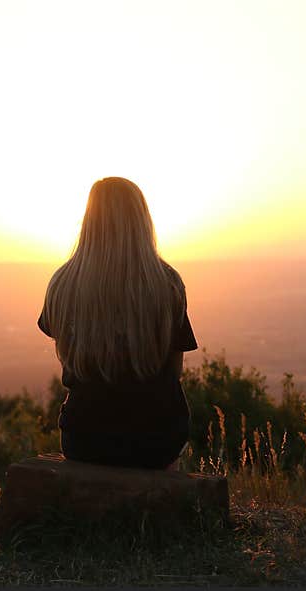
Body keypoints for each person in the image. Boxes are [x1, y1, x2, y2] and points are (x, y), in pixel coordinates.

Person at [37, 177, 198, 469]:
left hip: (84, 437)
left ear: (88, 220)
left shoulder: (62, 284)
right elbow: (174, 372)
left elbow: (68, 356)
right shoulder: (168, 284)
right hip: (158, 437)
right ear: (142, 221)